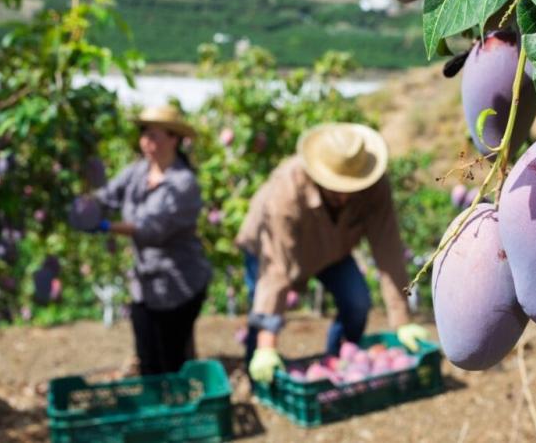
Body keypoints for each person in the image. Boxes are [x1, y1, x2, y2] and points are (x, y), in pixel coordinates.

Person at [236, 122, 429, 383]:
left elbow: (388, 248)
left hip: (332, 249)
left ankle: (339, 366)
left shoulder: (374, 185)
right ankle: (257, 377)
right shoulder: (287, 190)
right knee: (261, 317)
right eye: (338, 186)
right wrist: (267, 347)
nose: (346, 194)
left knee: (357, 302)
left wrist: (402, 318)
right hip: (270, 251)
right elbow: (276, 268)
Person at [89, 104, 212, 375]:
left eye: (154, 135)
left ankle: (177, 411)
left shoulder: (183, 184)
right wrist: (88, 206)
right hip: (146, 283)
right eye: (144, 133)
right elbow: (108, 195)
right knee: (147, 356)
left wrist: (105, 225)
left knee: (172, 358)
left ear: (174, 139)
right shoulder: (137, 172)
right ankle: (158, 408)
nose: (146, 141)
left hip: (179, 283)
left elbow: (151, 229)